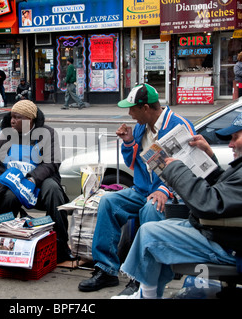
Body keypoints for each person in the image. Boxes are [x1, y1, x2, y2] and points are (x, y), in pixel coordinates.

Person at [114, 109, 242, 299]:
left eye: (236, 137)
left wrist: (175, 169)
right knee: (157, 227)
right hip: (233, 235)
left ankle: (147, 295)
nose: (231, 144)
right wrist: (210, 159)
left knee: (149, 234)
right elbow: (229, 193)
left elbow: (209, 204)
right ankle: (147, 292)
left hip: (230, 243)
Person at [78, 83, 196, 292]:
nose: (130, 114)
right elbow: (135, 163)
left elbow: (189, 169)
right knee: (108, 201)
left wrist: (165, 190)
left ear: (146, 108)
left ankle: (143, 277)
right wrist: (129, 142)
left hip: (170, 194)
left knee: (151, 208)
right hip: (142, 190)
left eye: (132, 109)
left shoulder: (179, 127)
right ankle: (106, 269)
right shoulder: (142, 127)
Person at [0, 100, 74, 263]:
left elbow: (52, 162)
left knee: (53, 190)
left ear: (29, 119)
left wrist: (32, 178)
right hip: (12, 181)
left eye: (17, 117)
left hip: (39, 180)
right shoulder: (6, 135)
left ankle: (60, 245)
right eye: (11, 117)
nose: (12, 121)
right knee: (9, 197)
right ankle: (7, 244)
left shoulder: (48, 134)